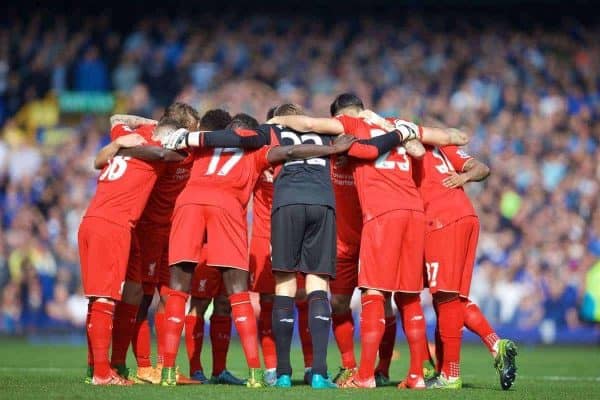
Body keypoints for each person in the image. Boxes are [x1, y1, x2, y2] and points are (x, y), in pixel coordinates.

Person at [268, 93, 468, 389]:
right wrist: (409, 134)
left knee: (379, 298)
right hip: (378, 226)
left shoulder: (350, 135)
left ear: (341, 117)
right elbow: (451, 138)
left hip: (378, 224)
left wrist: (276, 120)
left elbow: (308, 122)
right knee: (391, 298)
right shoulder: (390, 127)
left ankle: (374, 371)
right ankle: (388, 371)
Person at [159, 113, 357, 387]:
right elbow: (290, 151)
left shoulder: (202, 148)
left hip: (188, 204)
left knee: (179, 291)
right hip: (227, 209)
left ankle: (167, 369)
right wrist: (332, 150)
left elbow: (166, 155)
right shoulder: (256, 152)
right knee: (238, 294)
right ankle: (256, 373)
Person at [79, 114, 188, 386]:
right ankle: (102, 375)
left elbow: (110, 131)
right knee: (104, 299)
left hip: (100, 222)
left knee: (129, 291)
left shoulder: (131, 139)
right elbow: (166, 155)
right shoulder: (157, 151)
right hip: (111, 224)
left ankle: (103, 366)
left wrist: (119, 145)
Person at [412, 141, 517, 390]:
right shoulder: (442, 147)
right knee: (453, 298)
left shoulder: (408, 149)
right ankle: (495, 345)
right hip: (467, 217)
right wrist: (465, 177)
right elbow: (482, 168)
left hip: (440, 221)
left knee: (445, 297)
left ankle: (450, 374)